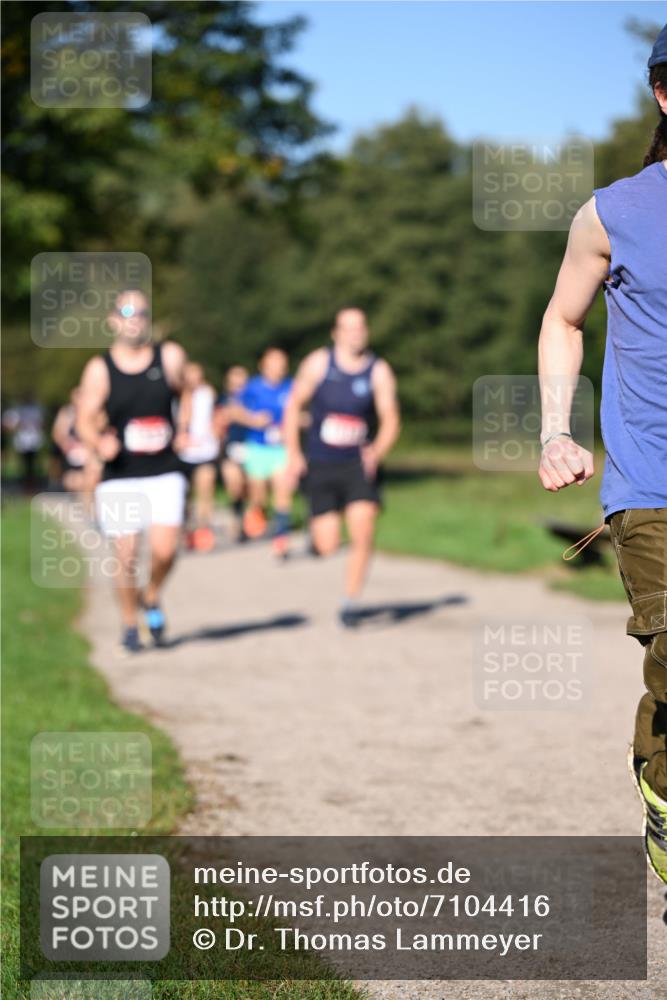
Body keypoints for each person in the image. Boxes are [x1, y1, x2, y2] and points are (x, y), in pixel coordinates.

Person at [537, 24, 667, 884]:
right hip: (652, 483)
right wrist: (554, 428)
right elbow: (561, 320)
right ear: (664, 95)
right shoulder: (613, 210)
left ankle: (658, 780)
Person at [77, 289, 189, 654]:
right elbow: (83, 419)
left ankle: (152, 595)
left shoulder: (169, 356)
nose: (135, 318)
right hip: (121, 473)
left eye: (141, 311)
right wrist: (97, 443)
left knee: (165, 550)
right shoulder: (100, 368)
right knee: (125, 555)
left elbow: (189, 391)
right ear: (113, 320)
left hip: (164, 471)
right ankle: (129, 623)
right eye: (127, 312)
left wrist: (184, 427)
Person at [284, 307, 401, 626]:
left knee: (363, 531)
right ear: (335, 333)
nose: (356, 333)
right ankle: (316, 531)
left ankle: (350, 601)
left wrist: (376, 452)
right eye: (348, 328)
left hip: (356, 465)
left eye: (361, 327)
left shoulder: (378, 371)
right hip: (321, 463)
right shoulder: (318, 363)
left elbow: (391, 419)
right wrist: (293, 453)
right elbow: (293, 406)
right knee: (328, 544)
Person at [231, 348, 294, 558]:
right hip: (257, 448)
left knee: (282, 489)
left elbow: (303, 414)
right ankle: (257, 512)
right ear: (263, 365)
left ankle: (281, 539)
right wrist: (253, 419)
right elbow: (232, 411)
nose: (278, 367)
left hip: (280, 450)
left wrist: (292, 425)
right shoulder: (253, 387)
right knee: (258, 495)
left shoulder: (291, 387)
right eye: (273, 363)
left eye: (281, 363)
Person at [177, 363, 219, 553]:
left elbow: (218, 415)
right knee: (183, 495)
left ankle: (204, 529)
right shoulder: (175, 394)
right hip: (181, 453)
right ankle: (186, 528)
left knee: (205, 487)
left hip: (205, 450)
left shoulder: (208, 392)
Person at [214, 365, 250, 543]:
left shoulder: (253, 399)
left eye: (242, 377)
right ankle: (238, 518)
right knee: (234, 484)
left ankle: (250, 516)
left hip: (252, 447)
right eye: (235, 377)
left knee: (248, 486)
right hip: (231, 448)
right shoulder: (222, 400)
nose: (239, 381)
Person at [3, 395, 45, 491]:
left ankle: (33, 484)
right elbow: (10, 425)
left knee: (33, 464)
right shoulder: (18, 410)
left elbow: (41, 424)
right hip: (22, 442)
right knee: (23, 465)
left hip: (34, 441)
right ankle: (24, 484)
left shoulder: (36, 409)